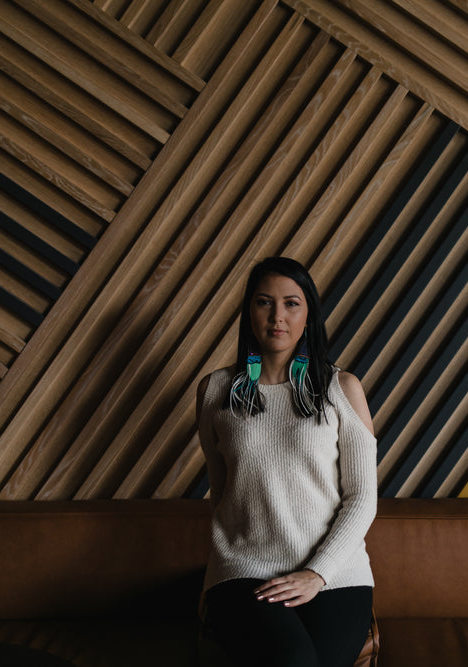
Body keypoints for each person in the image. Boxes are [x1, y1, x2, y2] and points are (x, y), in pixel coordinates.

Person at [196, 257, 378, 667]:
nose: (278, 316)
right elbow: (222, 489)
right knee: (293, 659)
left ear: (308, 313)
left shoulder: (341, 389)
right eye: (264, 303)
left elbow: (363, 497)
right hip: (245, 571)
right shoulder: (215, 391)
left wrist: (317, 573)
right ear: (249, 311)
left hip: (336, 575)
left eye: (291, 303)